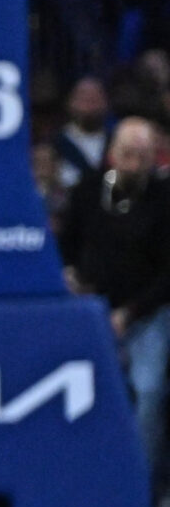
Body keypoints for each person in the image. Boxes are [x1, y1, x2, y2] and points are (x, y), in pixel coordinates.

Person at [59, 117, 170, 483]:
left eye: (142, 156)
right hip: (88, 311)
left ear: (155, 158)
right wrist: (69, 274)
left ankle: (137, 488)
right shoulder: (88, 191)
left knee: (149, 390)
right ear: (111, 154)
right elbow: (65, 248)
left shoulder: (164, 199)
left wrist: (129, 314)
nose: (133, 164)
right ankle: (81, 481)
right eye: (126, 154)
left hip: (147, 311)